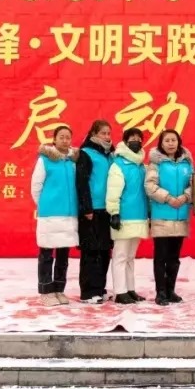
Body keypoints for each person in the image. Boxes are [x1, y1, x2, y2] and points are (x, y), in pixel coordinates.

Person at [30, 125, 79, 307]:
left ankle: (59, 289)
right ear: (54, 139)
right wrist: (45, 204)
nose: (65, 140)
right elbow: (36, 186)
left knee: (63, 256)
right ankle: (46, 291)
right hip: (50, 215)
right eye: (61, 137)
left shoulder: (73, 161)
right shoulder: (45, 160)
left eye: (68, 137)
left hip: (69, 215)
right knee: (46, 254)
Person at [144, 129, 194, 306]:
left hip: (181, 215)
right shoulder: (156, 163)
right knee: (161, 257)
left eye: (174, 140)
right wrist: (168, 198)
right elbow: (150, 186)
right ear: (161, 144)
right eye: (167, 140)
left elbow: (194, 183)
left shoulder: (187, 162)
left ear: (178, 142)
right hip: (162, 215)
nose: (171, 143)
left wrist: (186, 196)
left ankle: (170, 290)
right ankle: (160, 292)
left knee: (174, 258)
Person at [106, 127, 149, 305]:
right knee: (120, 256)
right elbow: (113, 191)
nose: (136, 141)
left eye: (139, 138)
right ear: (125, 141)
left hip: (139, 216)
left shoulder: (142, 166)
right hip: (124, 217)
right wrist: (114, 212)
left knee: (130, 257)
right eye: (132, 138)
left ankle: (130, 289)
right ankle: (119, 291)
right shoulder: (118, 165)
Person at [76, 120, 115, 304]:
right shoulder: (86, 153)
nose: (107, 137)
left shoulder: (110, 154)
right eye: (103, 133)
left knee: (105, 251)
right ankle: (88, 292)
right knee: (91, 252)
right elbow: (81, 182)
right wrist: (86, 207)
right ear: (93, 134)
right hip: (92, 210)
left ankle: (100, 288)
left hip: (107, 209)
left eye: (108, 133)